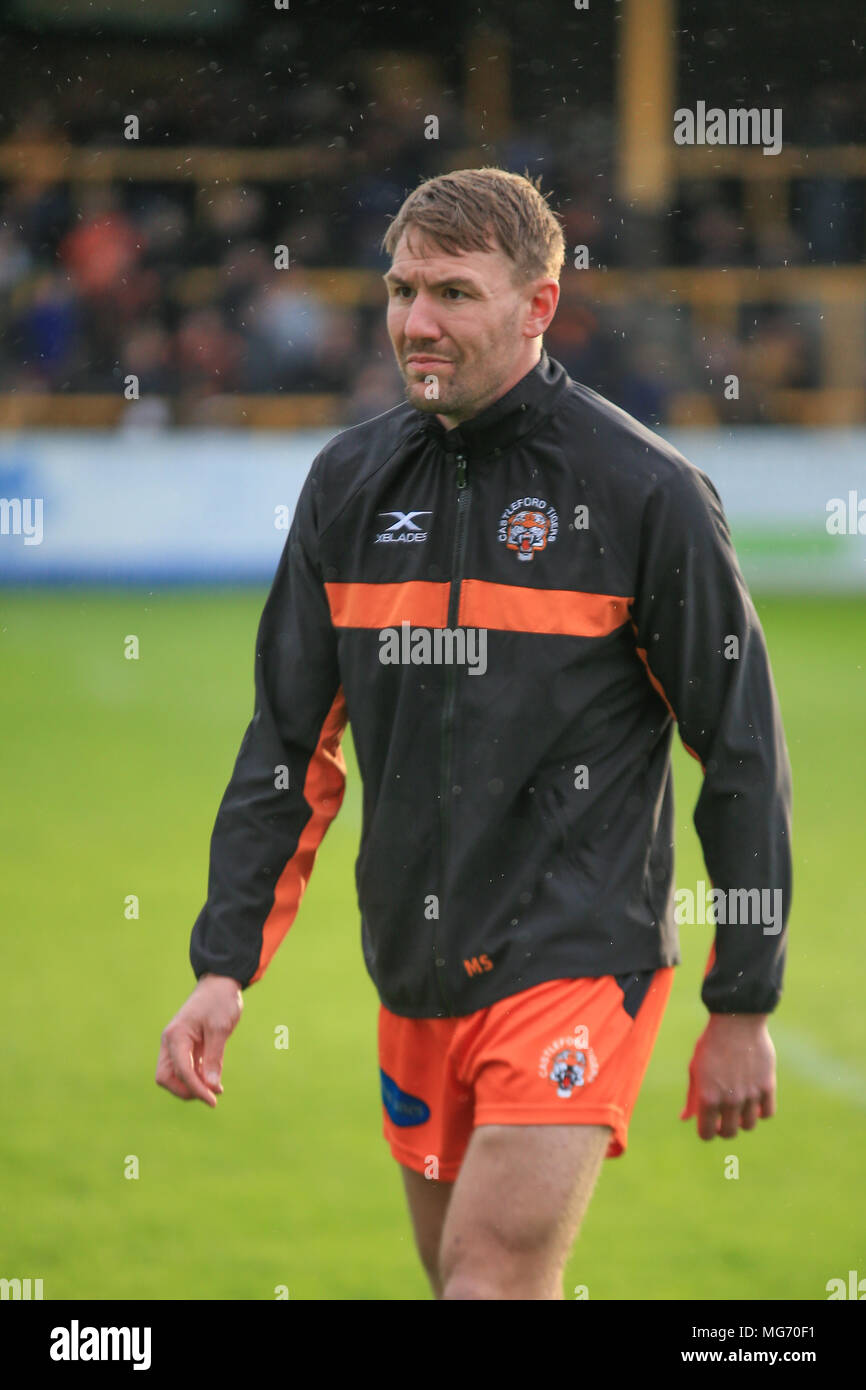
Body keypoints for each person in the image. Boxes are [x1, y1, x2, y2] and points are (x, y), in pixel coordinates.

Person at [156, 167, 793, 1301]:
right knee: (465, 1276)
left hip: (578, 950)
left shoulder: (644, 492)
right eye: (402, 292)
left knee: (487, 1279)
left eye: (452, 293)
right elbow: (286, 747)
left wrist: (740, 996)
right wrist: (221, 966)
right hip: (413, 962)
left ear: (538, 306)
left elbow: (739, 748)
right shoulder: (347, 483)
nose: (416, 323)